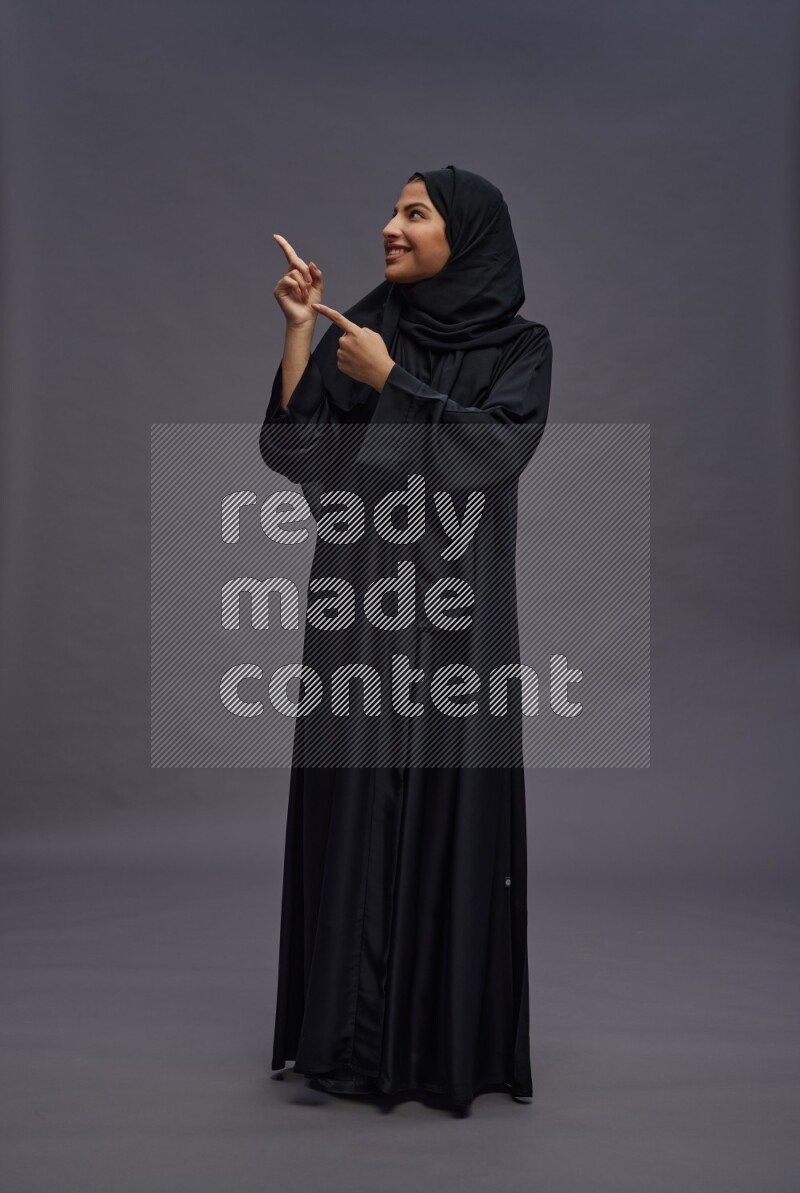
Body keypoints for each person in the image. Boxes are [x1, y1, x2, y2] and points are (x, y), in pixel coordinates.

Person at [259, 165, 553, 1111]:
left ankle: (436, 1045)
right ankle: (346, 1041)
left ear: (464, 237)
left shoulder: (520, 346)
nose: (391, 226)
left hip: (457, 618)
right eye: (392, 211)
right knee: (356, 800)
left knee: (445, 805)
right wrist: (300, 331)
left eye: (415, 213)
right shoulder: (364, 326)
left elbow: (496, 450)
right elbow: (297, 450)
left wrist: (393, 382)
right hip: (359, 605)